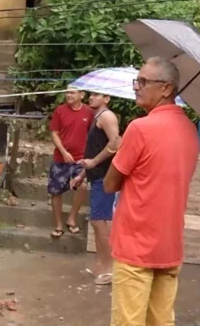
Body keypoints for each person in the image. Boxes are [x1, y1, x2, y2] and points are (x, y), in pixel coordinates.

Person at [104, 57, 199, 326]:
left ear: (166, 89)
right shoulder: (191, 130)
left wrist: (116, 149)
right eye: (138, 80)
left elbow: (110, 184)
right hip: (169, 245)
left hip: (136, 247)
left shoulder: (140, 128)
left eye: (144, 81)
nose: (136, 86)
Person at [70, 92, 120, 286]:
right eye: (90, 95)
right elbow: (93, 150)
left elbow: (115, 143)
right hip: (96, 176)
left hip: (105, 177)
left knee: (100, 222)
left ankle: (110, 269)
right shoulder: (97, 117)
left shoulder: (107, 117)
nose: (91, 98)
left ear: (107, 99)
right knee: (96, 221)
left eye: (96, 95)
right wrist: (82, 174)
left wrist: (94, 162)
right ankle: (102, 264)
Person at [48, 88, 93, 238]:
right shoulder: (60, 111)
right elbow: (54, 133)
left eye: (72, 92)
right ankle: (58, 224)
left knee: (83, 186)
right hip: (60, 158)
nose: (68, 95)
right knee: (56, 192)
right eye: (67, 92)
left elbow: (92, 133)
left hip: (80, 158)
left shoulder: (89, 112)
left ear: (82, 95)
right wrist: (63, 152)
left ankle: (72, 218)